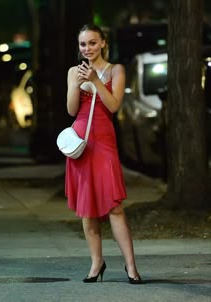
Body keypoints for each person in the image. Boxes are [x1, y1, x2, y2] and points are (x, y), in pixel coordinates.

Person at [65, 23, 142, 284]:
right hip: (81, 142)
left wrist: (96, 80)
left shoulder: (115, 70)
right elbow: (72, 111)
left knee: (114, 207)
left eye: (93, 43)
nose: (87, 48)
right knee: (87, 208)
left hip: (104, 140)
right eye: (83, 44)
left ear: (103, 43)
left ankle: (131, 266)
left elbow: (114, 106)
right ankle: (96, 263)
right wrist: (76, 84)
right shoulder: (73, 71)